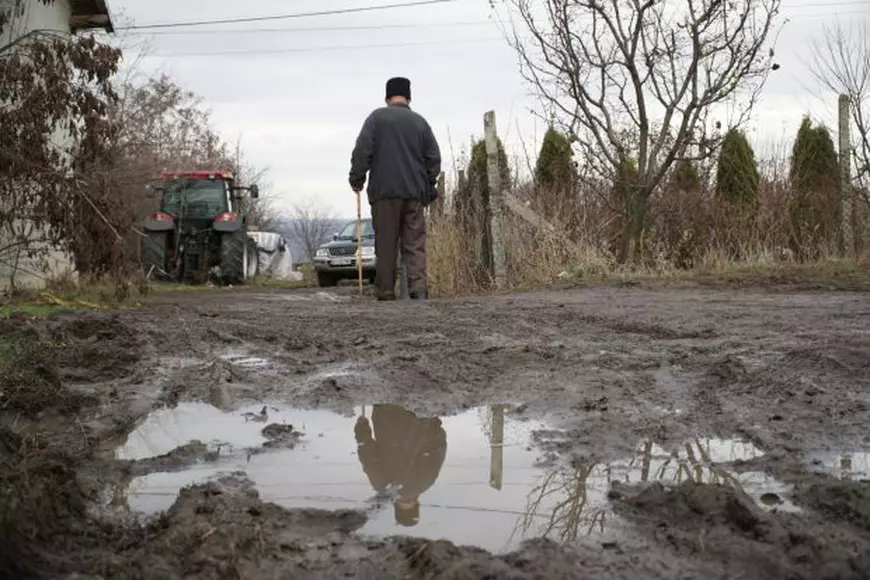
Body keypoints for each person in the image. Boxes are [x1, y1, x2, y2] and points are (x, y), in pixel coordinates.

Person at [348, 77, 442, 301]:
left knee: (386, 243)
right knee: (415, 244)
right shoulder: (420, 122)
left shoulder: (376, 119)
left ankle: (386, 291)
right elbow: (434, 159)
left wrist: (357, 179)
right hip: (414, 194)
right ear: (409, 98)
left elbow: (362, 151)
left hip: (384, 193)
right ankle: (419, 291)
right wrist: (428, 184)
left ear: (387, 97)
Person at [354, 404, 447, 527]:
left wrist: (434, 422)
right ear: (396, 508)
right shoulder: (382, 486)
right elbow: (367, 454)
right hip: (385, 414)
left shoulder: (424, 483)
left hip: (420, 412)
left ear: (416, 505)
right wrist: (362, 429)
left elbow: (439, 446)